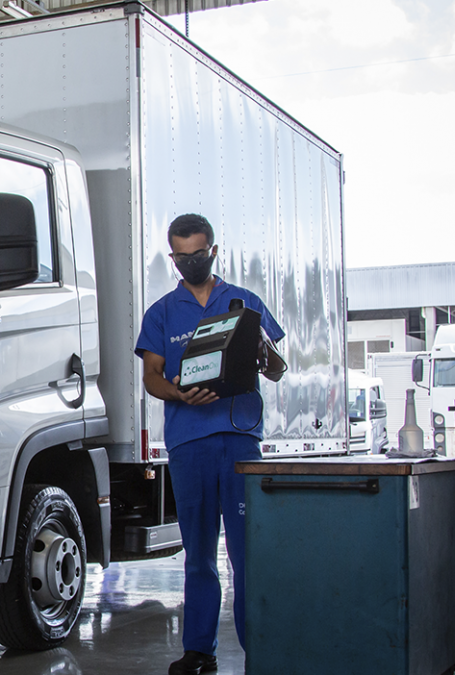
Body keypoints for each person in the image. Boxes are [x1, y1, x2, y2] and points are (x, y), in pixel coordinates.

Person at [134, 213, 284, 675]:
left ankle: (261, 648)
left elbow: (278, 368)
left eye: (197, 255)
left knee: (247, 554)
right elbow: (152, 378)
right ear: (172, 256)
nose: (189, 263)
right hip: (189, 444)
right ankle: (199, 651)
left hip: (239, 441)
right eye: (180, 256)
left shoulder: (243, 301)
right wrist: (179, 392)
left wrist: (264, 353)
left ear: (212, 252)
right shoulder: (161, 312)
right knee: (198, 554)